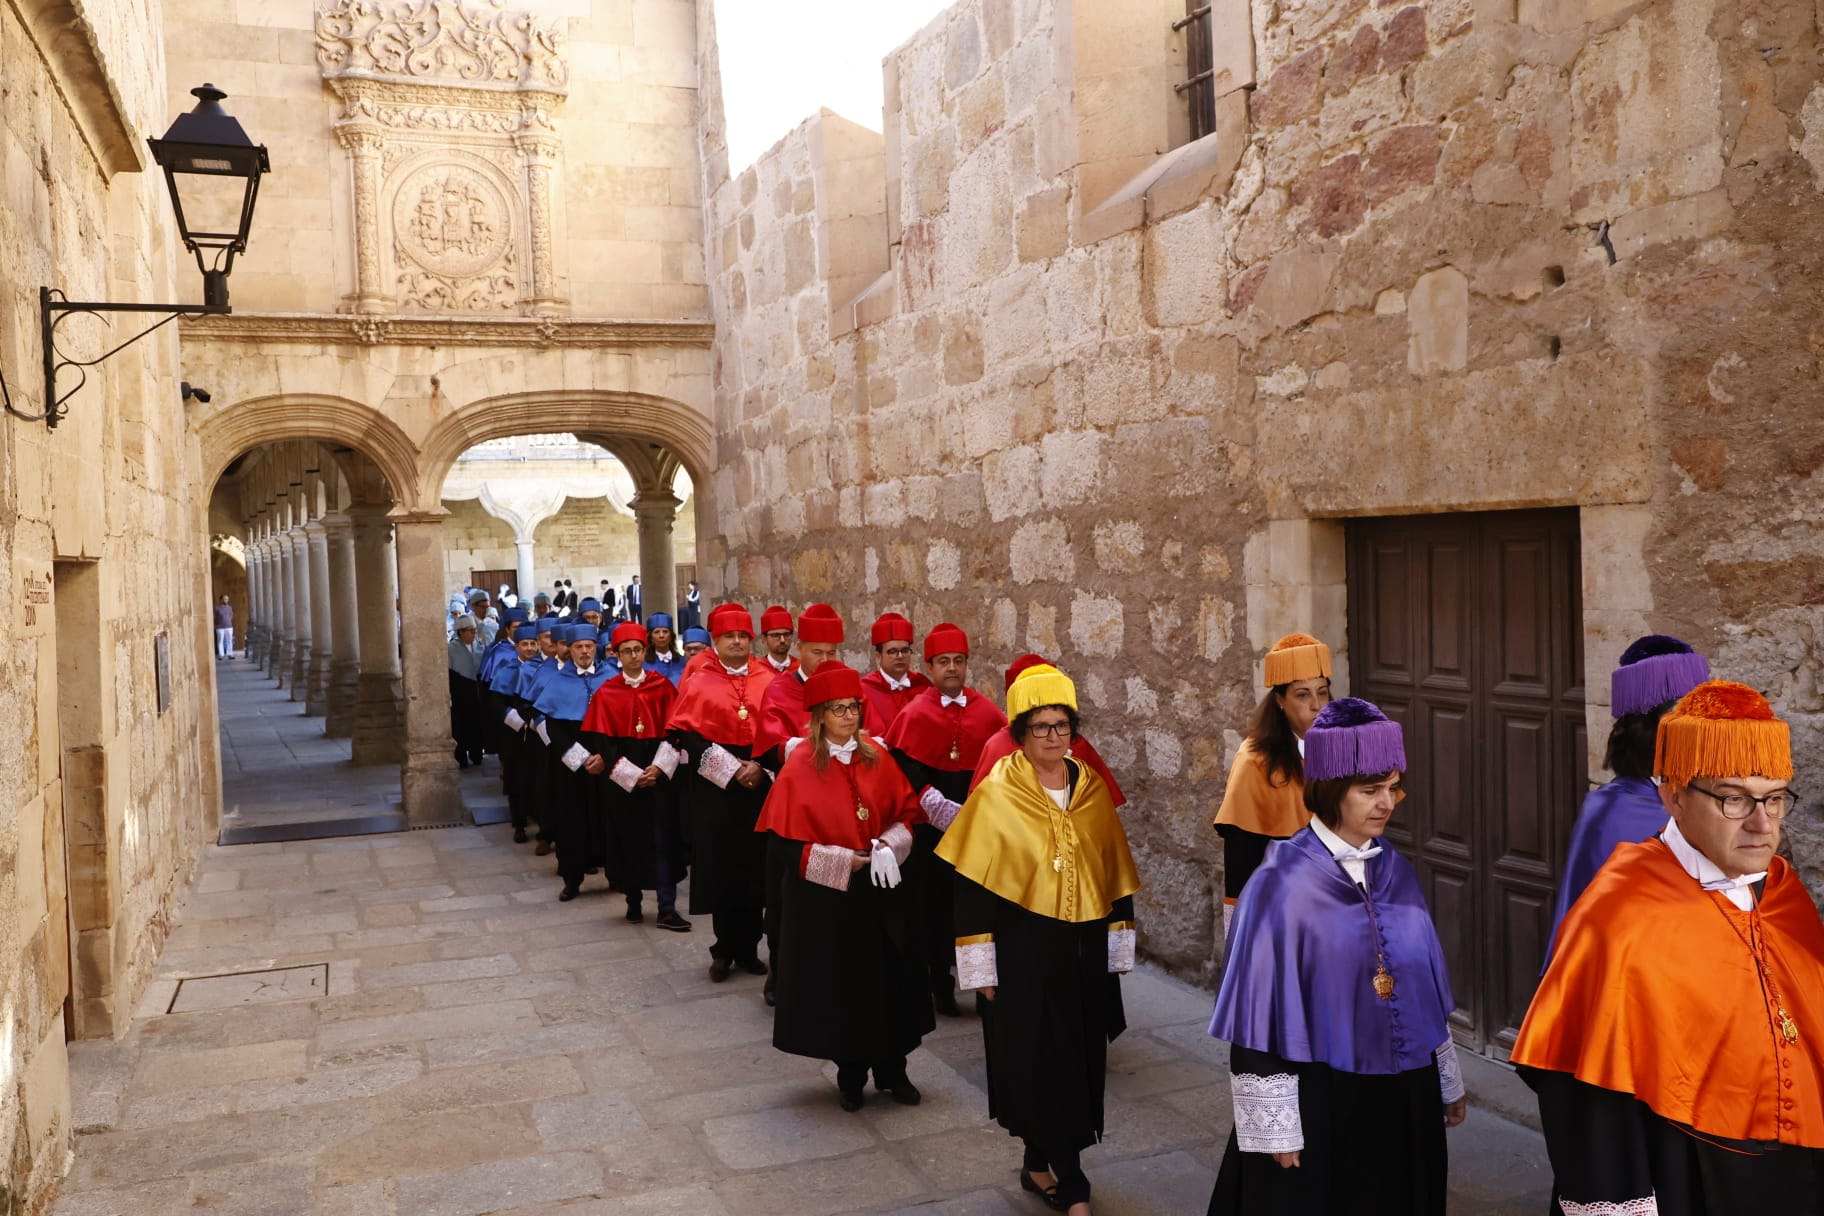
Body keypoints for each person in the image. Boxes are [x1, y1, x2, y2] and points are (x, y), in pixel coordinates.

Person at [1514, 680, 1824, 1211]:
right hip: (1685, 1172)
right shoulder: (1618, 915)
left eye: (1773, 798)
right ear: (1673, 794)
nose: (1761, 824)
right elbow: (1589, 1099)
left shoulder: (1785, 893)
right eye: (1733, 798)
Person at [1207, 697, 1464, 1216]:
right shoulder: (1278, 885)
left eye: (1393, 788)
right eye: (1370, 791)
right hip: (1321, 1096)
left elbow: (1420, 987)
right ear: (1329, 791)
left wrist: (1446, 1077)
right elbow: (1257, 1022)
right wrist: (1276, 1129)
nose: (1386, 803)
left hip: (1403, 1092)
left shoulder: (1397, 868)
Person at [940, 665, 1140, 1216]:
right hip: (1023, 950)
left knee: (1076, 1056)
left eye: (1063, 726)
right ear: (1021, 734)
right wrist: (980, 969)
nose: (1054, 737)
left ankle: (1039, 1163)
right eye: (1042, 727)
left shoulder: (1091, 787)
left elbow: (1115, 871)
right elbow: (973, 887)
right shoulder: (997, 793)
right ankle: (1071, 1179)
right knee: (1036, 1060)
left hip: (1082, 949)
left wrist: (1120, 943)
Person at [755, 661, 931, 1111]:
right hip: (829, 903)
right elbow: (783, 847)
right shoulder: (799, 767)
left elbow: (907, 815)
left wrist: (891, 845)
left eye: (854, 707)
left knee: (892, 981)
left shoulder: (878, 755)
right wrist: (840, 862)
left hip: (881, 892)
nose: (849, 717)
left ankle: (895, 1071)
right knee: (844, 989)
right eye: (838, 710)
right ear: (819, 716)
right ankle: (851, 1075)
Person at [749, 604, 879, 1006]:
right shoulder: (780, 688)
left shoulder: (848, 689)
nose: (825, 660)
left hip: (842, 805)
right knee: (783, 897)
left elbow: (867, 734)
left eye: (832, 652)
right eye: (817, 652)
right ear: (799, 648)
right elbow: (771, 743)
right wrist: (816, 748)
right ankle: (780, 973)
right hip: (793, 804)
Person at [1547, 635, 1709, 954]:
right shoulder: (1609, 813)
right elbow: (1598, 927)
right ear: (1650, 728)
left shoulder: (1706, 793)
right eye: (1684, 715)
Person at [884, 623, 1007, 1018]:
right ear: (930, 666)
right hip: (929, 830)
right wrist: (934, 803)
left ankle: (978, 981)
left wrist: (972, 812)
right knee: (934, 908)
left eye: (958, 661)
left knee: (973, 907)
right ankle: (940, 985)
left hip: (976, 827)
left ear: (967, 665)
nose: (951, 668)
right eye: (943, 662)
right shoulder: (914, 712)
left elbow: (1000, 766)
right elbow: (904, 764)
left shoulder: (988, 713)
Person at [667, 604, 777, 980]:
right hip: (717, 787)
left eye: (742, 636)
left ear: (751, 640)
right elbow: (688, 735)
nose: (736, 642)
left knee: (754, 868)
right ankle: (723, 949)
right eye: (729, 636)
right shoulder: (700, 678)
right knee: (722, 866)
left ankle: (749, 948)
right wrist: (731, 770)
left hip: (761, 782)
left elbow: (779, 730)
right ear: (716, 641)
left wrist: (760, 768)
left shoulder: (768, 678)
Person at [1212, 632, 1333, 937]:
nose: (1317, 705)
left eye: (1322, 692)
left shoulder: (1344, 749)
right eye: (1302, 694)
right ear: (1280, 701)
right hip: (1281, 913)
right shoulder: (1255, 762)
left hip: (1337, 905)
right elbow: (1240, 862)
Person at [579, 622, 682, 926]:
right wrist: (632, 775)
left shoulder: (662, 687)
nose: (634, 656)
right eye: (627, 651)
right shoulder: (607, 693)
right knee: (629, 840)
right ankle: (633, 901)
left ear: (645, 651)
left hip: (658, 776)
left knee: (663, 841)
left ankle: (666, 907)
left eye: (638, 650)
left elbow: (675, 732)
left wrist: (660, 768)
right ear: (616, 654)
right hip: (624, 780)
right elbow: (604, 743)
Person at [971, 655, 1126, 806]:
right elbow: (982, 813)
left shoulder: (1075, 745)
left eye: (1060, 724)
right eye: (1040, 726)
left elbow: (1099, 811)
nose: (1053, 737)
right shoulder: (998, 746)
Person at [532, 624, 615, 901]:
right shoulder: (558, 682)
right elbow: (554, 730)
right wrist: (582, 759)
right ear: (570, 650)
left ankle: (615, 874)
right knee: (572, 820)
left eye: (588, 646)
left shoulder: (610, 677)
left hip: (606, 762)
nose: (583, 651)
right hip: (572, 764)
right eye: (578, 646)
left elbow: (617, 722)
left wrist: (604, 757)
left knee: (609, 817)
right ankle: (572, 879)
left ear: (596, 648)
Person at [516, 617, 569, 855]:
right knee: (547, 787)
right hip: (545, 740)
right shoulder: (541, 670)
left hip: (577, 739)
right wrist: (544, 729)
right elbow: (527, 705)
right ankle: (547, 833)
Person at [489, 623, 543, 830]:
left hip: (536, 731)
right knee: (515, 778)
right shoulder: (506, 671)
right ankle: (518, 823)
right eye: (524, 644)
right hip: (513, 732)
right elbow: (495, 702)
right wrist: (512, 718)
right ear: (517, 647)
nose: (529, 648)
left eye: (532, 644)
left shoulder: (541, 670)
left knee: (536, 777)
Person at [861, 612, 931, 727]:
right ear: (879, 656)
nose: (900, 656)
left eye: (904, 650)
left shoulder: (923, 686)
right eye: (892, 651)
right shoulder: (864, 690)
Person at [447, 614, 486, 768]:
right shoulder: (451, 649)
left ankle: (477, 754)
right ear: (460, 632)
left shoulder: (479, 646)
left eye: (474, 631)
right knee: (460, 727)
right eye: (470, 631)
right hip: (460, 695)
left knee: (477, 725)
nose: (473, 634)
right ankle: (461, 757)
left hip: (477, 693)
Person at [643, 613, 686, 685]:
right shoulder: (644, 665)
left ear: (671, 636)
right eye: (656, 632)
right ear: (651, 638)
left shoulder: (683, 662)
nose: (661, 635)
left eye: (665, 631)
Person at [759, 606, 799, 674]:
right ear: (764, 639)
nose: (782, 640)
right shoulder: (756, 670)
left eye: (786, 634)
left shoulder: (800, 669)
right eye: (776, 635)